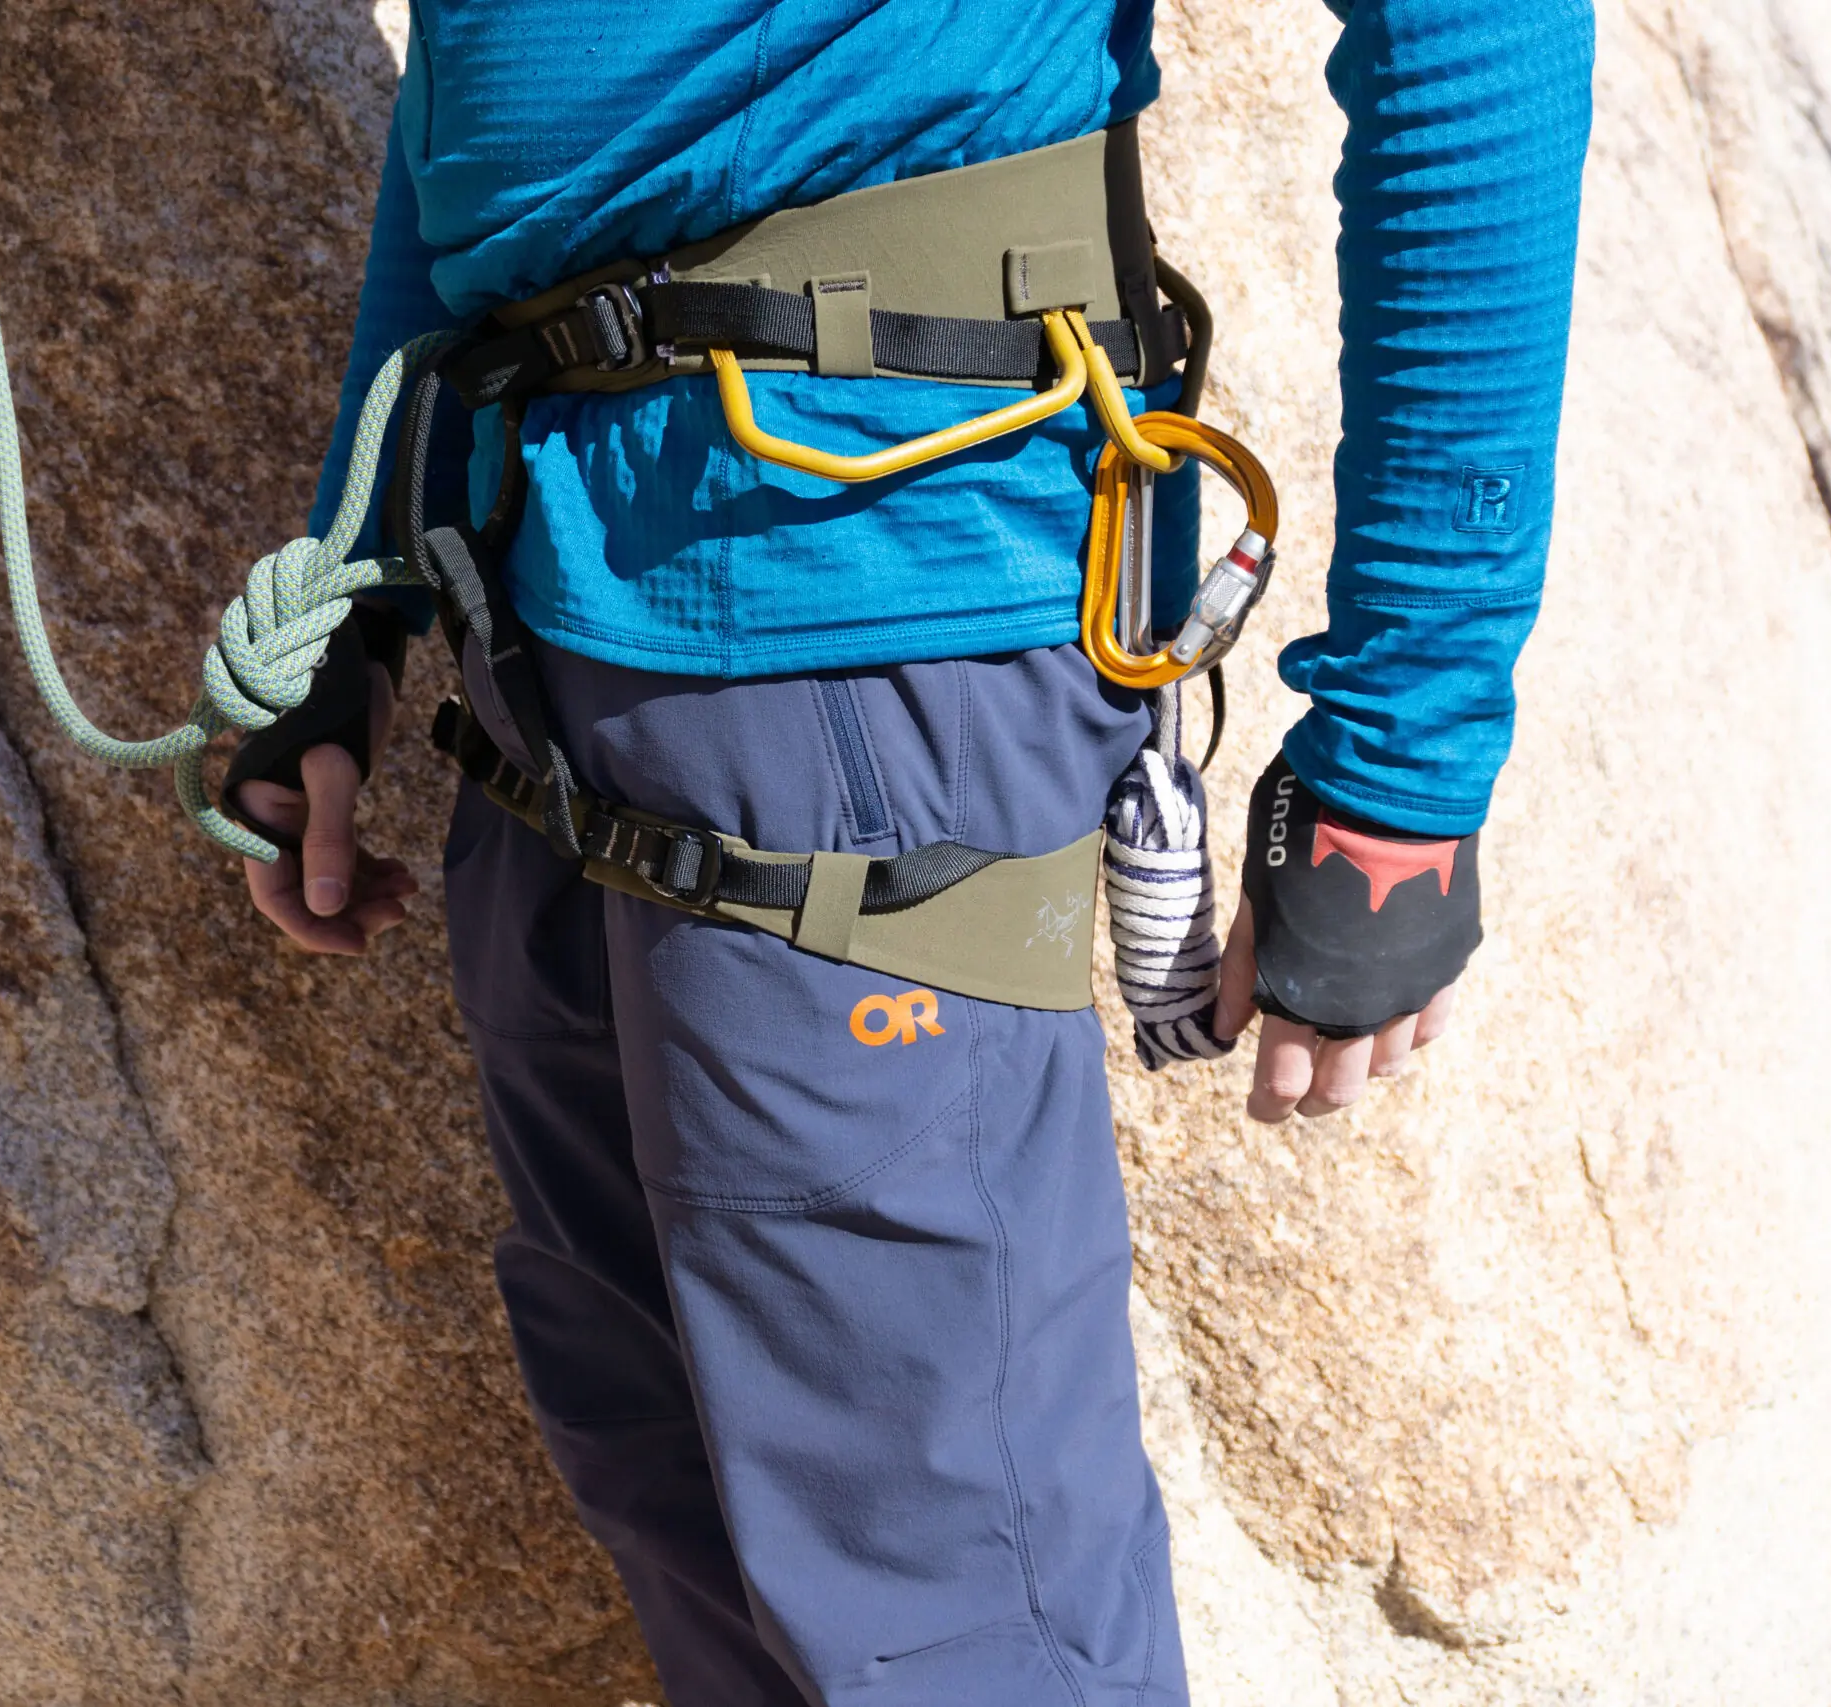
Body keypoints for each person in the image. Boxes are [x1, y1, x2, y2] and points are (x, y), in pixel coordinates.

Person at [232, 1, 1592, 1699]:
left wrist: (1406, 750)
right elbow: (484, 92)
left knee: (943, 1604)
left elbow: (1475, 28)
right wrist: (355, 590)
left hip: (861, 587)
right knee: (677, 1496)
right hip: (542, 626)